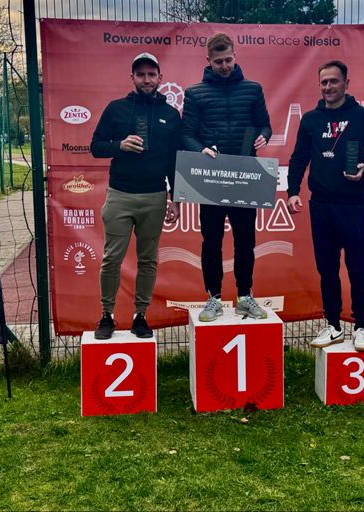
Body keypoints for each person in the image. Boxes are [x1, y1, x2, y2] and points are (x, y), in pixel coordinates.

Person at [287, 60, 364, 352]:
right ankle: (333, 325)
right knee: (327, 269)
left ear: (346, 83)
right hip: (321, 206)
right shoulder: (310, 120)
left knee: (358, 268)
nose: (328, 87)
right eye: (324, 82)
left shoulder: (362, 117)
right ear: (318, 85)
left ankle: (360, 328)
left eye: (334, 81)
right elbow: (298, 158)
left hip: (353, 206)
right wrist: (293, 191)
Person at [181, 33, 272, 322]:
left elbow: (265, 125)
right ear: (208, 60)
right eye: (218, 61)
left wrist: (263, 137)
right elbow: (186, 133)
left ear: (235, 56)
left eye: (228, 60)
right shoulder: (194, 93)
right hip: (211, 177)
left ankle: (245, 297)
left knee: (245, 239)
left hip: (246, 176)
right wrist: (200, 149)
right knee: (211, 240)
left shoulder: (253, 89)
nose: (224, 66)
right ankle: (214, 298)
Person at [91, 52, 181, 339]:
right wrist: (119, 145)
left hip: (155, 196)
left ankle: (140, 316)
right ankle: (107, 316)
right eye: (140, 74)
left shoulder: (171, 115)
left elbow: (174, 160)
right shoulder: (116, 109)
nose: (146, 79)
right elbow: (96, 147)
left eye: (151, 74)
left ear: (160, 78)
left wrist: (175, 198)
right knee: (111, 259)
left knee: (148, 261)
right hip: (120, 195)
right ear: (132, 78)